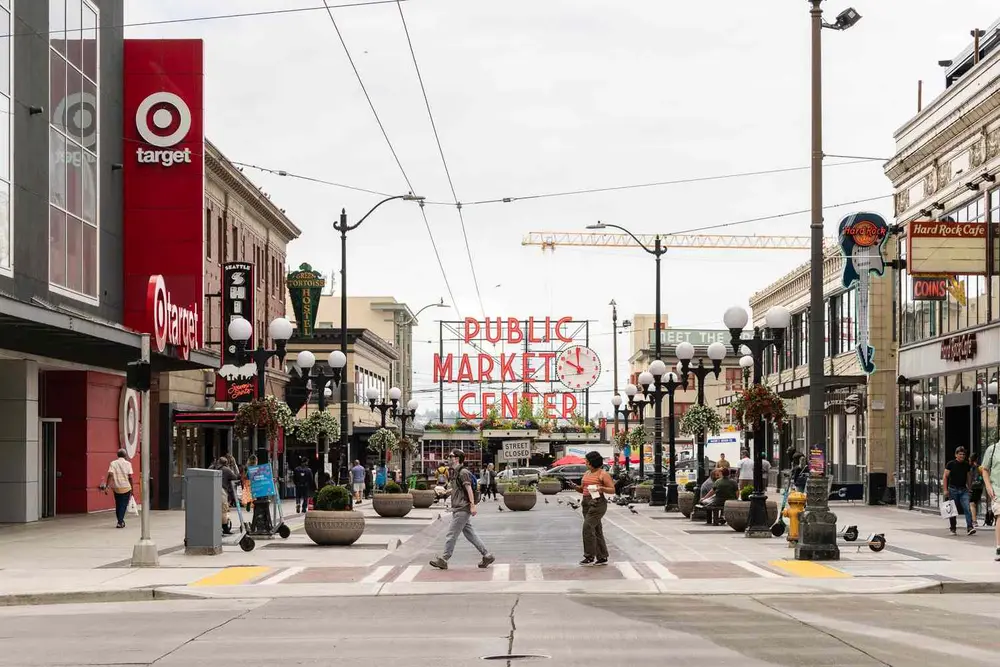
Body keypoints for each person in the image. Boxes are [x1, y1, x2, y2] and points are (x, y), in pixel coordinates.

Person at [430, 449, 494, 570]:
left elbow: (469, 489)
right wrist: (446, 491)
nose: (448, 458)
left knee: (451, 534)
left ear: (457, 458)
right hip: (459, 508)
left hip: (462, 508)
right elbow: (458, 489)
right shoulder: (455, 472)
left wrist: (472, 505)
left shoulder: (463, 472)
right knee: (470, 534)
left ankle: (444, 559)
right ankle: (487, 555)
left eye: (451, 456)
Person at [570, 450, 616, 566]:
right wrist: (575, 487)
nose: (585, 462)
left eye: (587, 461)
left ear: (591, 462)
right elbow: (582, 489)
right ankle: (602, 556)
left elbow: (612, 489)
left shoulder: (603, 474)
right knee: (596, 530)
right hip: (586, 502)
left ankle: (589, 556)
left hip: (597, 502)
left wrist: (602, 488)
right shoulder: (587, 473)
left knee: (587, 528)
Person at [943, 446, 976, 536]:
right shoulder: (950, 464)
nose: (962, 456)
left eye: (963, 454)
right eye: (960, 454)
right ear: (956, 455)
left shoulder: (966, 465)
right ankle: (953, 528)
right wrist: (945, 490)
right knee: (953, 510)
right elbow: (945, 477)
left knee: (967, 509)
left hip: (963, 490)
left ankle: (970, 527)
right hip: (952, 489)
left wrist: (969, 488)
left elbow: (969, 476)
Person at [978, 440, 1000, 561]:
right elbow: (985, 469)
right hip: (997, 489)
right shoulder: (992, 450)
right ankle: (999, 547)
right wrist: (988, 486)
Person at [102, 449, 134, 528]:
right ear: (125, 455)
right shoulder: (128, 464)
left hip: (116, 487)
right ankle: (120, 522)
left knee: (118, 504)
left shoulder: (113, 463)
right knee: (123, 505)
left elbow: (110, 475)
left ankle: (120, 521)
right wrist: (132, 489)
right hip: (126, 487)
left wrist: (107, 486)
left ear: (117, 455)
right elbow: (130, 477)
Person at [216, 457, 240, 534]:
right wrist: (234, 466)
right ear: (226, 463)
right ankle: (225, 528)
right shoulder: (226, 469)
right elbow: (236, 477)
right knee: (223, 510)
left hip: (212, 490)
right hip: (221, 490)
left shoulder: (212, 468)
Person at [970, 452, 983, 525]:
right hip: (979, 487)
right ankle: (974, 519)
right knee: (975, 503)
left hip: (973, 487)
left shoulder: (970, 467)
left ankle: (974, 520)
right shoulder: (980, 467)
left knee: (972, 504)